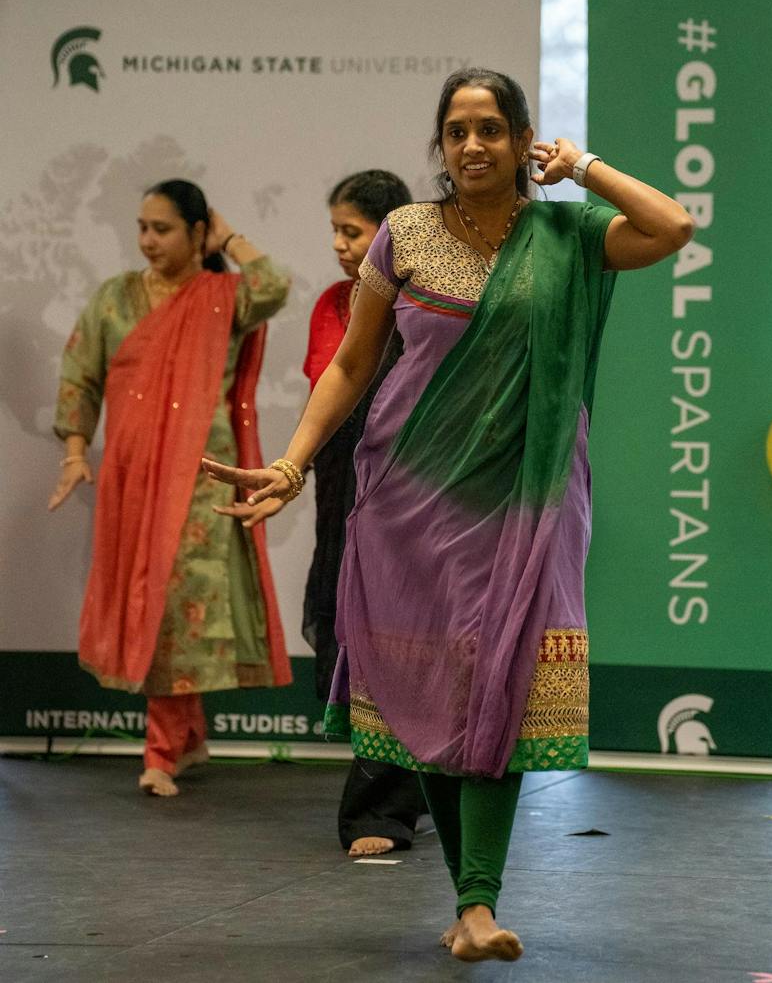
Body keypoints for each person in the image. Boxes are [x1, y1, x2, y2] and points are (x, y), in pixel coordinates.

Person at [204, 69, 693, 962]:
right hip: (408, 499)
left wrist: (582, 166)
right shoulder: (406, 235)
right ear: (440, 144)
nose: (474, 145)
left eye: (494, 130)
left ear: (522, 141)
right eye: (458, 130)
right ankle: (472, 911)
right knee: (427, 695)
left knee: (498, 687)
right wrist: (292, 460)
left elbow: (673, 226)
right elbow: (352, 365)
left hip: (528, 504)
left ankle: (477, 901)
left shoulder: (567, 231)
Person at [49, 179, 292, 798]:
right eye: (142, 228)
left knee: (175, 609)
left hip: (199, 475)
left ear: (195, 233)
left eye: (162, 229)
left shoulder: (224, 297)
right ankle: (188, 739)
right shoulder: (114, 299)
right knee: (155, 605)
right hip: (134, 480)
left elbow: (275, 284)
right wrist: (76, 453)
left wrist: (230, 235)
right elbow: (81, 376)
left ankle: (161, 749)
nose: (147, 240)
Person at [301, 170, 426, 857]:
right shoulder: (332, 301)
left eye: (351, 231)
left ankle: (382, 809)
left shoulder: (421, 302)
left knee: (397, 636)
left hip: (402, 478)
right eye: (335, 231)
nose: (340, 246)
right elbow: (333, 380)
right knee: (347, 625)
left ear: (390, 232)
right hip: (338, 481)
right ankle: (409, 788)